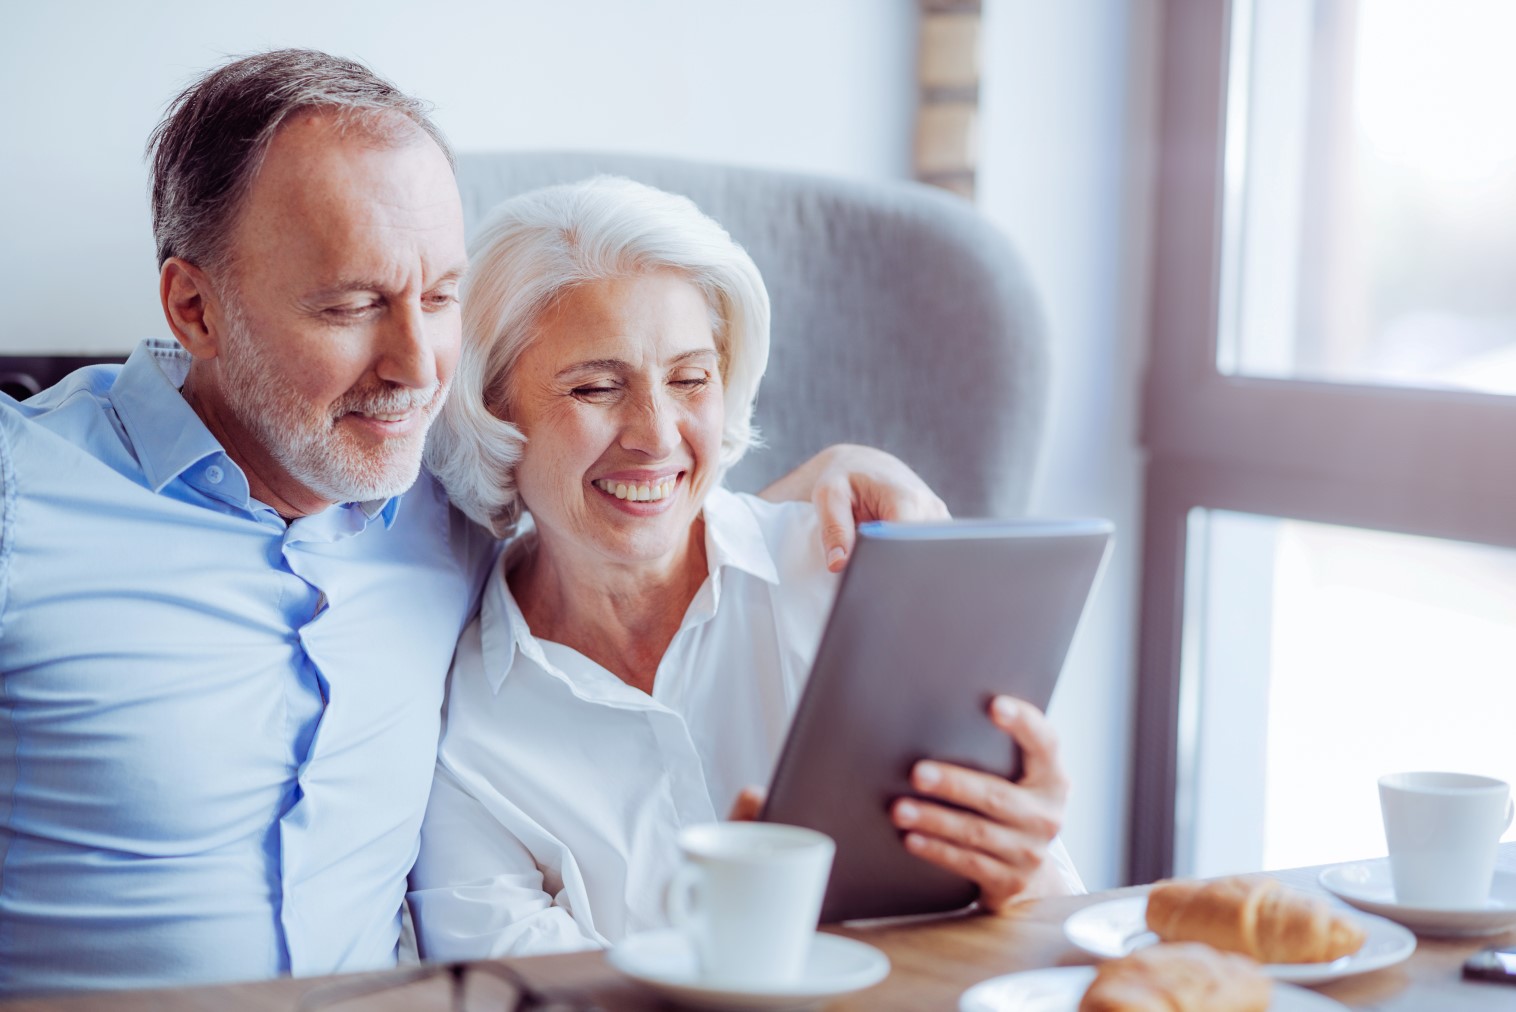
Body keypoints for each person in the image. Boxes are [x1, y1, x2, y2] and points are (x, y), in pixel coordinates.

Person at [0, 50, 945, 994]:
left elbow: (619, 500)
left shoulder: (433, 497)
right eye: (354, 302)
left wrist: (829, 479)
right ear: (193, 307)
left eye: (441, 295)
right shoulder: (24, 495)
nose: (418, 365)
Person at [406, 177, 1080, 960]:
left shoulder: (844, 585)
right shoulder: (466, 736)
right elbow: (532, 998)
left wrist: (1022, 874)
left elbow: (1055, 926)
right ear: (493, 410)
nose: (657, 436)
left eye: (691, 379)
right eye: (596, 386)